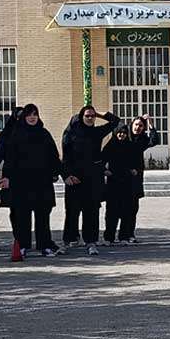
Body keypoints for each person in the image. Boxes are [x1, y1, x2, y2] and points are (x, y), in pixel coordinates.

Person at [0, 104, 64, 258]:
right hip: (22, 183)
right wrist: (7, 176)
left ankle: (45, 245)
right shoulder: (16, 135)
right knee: (23, 217)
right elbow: (10, 159)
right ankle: (22, 246)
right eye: (29, 114)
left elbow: (53, 156)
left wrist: (57, 173)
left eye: (35, 114)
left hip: (42, 182)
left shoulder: (44, 134)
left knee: (43, 216)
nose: (32, 117)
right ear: (24, 117)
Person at [61, 105, 120, 255]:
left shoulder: (96, 132)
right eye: (87, 116)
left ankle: (91, 241)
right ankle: (69, 240)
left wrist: (98, 114)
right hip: (74, 178)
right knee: (72, 211)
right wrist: (66, 176)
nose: (90, 118)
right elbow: (65, 158)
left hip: (93, 177)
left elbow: (115, 121)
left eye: (92, 116)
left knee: (92, 211)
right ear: (80, 117)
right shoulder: (70, 134)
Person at [108, 114, 160, 244]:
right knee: (115, 208)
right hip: (120, 177)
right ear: (131, 125)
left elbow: (154, 140)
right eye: (136, 125)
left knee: (132, 208)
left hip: (135, 178)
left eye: (141, 126)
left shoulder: (142, 141)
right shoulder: (125, 138)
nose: (138, 128)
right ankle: (110, 236)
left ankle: (128, 234)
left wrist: (150, 124)